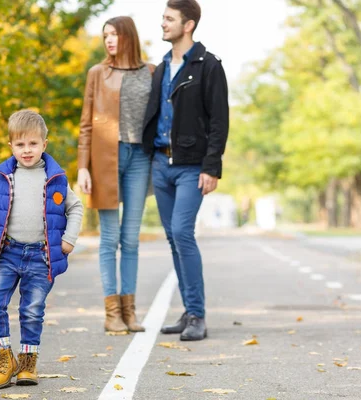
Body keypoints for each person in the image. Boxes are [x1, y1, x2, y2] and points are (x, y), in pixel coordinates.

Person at [0, 110, 83, 389]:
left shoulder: (55, 177)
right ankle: (3, 356)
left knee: (32, 310)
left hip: (40, 255)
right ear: (11, 146)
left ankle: (27, 361)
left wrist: (69, 239)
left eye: (33, 144)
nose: (27, 150)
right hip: (7, 253)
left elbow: (75, 207)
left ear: (44, 145)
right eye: (20, 145)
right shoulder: (3, 177)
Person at [142, 0, 229, 341]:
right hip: (161, 164)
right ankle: (189, 310)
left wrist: (212, 166)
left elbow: (220, 120)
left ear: (188, 24)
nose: (162, 24)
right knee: (173, 239)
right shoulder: (162, 66)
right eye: (163, 18)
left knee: (182, 233)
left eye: (169, 19)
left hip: (192, 166)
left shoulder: (208, 65)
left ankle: (198, 315)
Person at [77, 16, 155, 333]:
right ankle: (112, 315)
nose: (109, 40)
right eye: (105, 35)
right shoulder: (97, 73)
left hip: (140, 158)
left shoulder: (151, 73)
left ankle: (130, 312)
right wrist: (83, 166)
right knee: (109, 239)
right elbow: (86, 123)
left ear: (129, 37)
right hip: (106, 159)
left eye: (115, 35)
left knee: (131, 239)